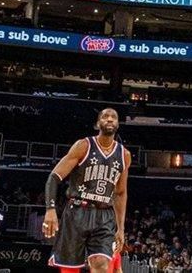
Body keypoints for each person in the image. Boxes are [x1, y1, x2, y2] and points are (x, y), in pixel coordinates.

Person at [42, 108, 130, 273]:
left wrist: (121, 228)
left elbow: (120, 193)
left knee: (102, 264)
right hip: (77, 211)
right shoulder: (83, 146)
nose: (110, 119)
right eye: (105, 116)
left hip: (104, 214)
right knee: (69, 269)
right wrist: (50, 209)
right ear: (98, 124)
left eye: (114, 117)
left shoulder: (124, 155)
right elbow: (54, 177)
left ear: (118, 124)